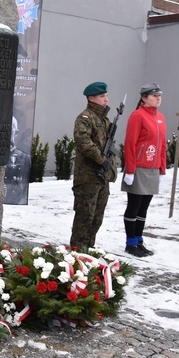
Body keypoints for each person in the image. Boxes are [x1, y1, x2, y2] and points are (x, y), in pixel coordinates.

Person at [69, 81, 118, 250]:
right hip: (88, 176)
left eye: (106, 96)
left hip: (102, 176)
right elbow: (84, 142)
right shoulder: (85, 118)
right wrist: (101, 160)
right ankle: (77, 251)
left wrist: (110, 165)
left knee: (98, 216)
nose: (106, 99)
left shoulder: (103, 119)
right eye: (102, 96)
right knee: (85, 216)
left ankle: (89, 248)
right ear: (91, 98)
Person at [121, 82, 167, 257]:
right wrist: (130, 170)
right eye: (154, 96)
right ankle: (130, 243)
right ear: (144, 98)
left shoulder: (160, 118)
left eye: (159, 95)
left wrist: (162, 167)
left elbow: (162, 145)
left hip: (153, 169)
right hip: (138, 169)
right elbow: (130, 143)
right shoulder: (137, 116)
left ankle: (139, 240)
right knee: (134, 207)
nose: (158, 98)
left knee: (144, 209)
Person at [4, 116, 31, 204]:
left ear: (16, 133)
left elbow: (24, 187)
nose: (6, 131)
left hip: (15, 201)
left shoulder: (24, 158)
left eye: (10, 128)